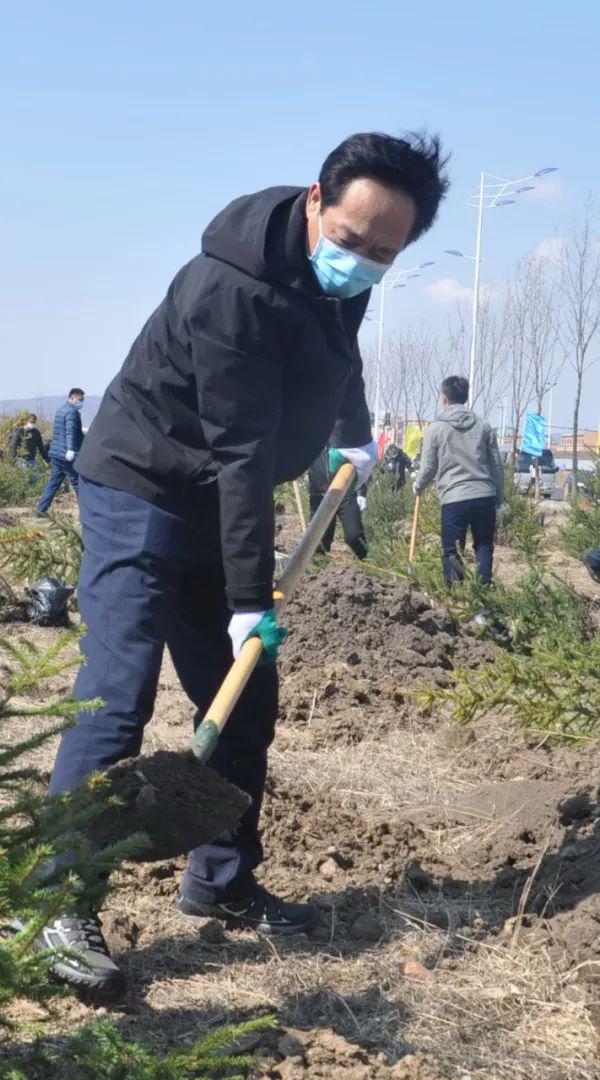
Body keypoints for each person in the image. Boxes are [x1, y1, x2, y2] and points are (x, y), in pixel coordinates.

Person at [34, 132, 449, 1000]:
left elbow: (342, 351)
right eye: (351, 240)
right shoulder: (233, 286)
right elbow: (239, 454)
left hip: (220, 492)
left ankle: (219, 883)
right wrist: (246, 594)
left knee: (246, 694)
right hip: (142, 482)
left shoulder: (342, 278)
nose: (362, 263)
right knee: (120, 685)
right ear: (314, 202)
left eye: (384, 254)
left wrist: (352, 430)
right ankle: (53, 901)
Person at [413, 376, 504, 586]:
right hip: (484, 495)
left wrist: (418, 487)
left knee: (452, 549)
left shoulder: (436, 429)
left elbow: (428, 467)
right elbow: (496, 466)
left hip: (454, 497)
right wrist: (499, 499)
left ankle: (455, 595)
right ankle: (482, 596)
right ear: (465, 397)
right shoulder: (483, 426)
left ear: (444, 399)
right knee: (483, 545)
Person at [308, 436, 368, 559]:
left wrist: (361, 492)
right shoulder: (311, 441)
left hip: (345, 493)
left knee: (354, 535)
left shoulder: (343, 440)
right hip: (319, 494)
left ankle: (364, 560)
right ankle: (319, 568)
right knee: (319, 540)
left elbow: (362, 464)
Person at [36, 389, 85, 514]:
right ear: (73, 398)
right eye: (80, 400)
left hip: (56, 453)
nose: (82, 403)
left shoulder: (61, 409)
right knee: (78, 482)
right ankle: (88, 513)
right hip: (65, 454)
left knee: (54, 482)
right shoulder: (71, 412)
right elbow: (70, 432)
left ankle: (41, 510)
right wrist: (70, 449)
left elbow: (59, 432)